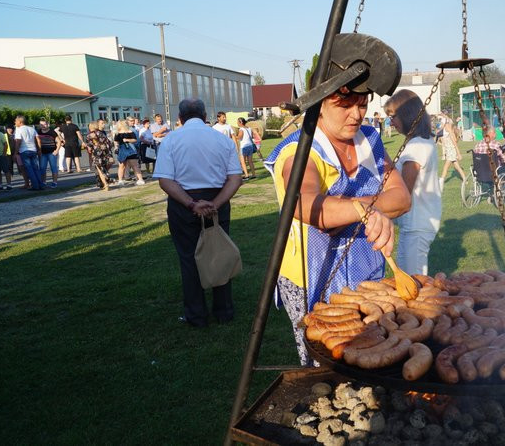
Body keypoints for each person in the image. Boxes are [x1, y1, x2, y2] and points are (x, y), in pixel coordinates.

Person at [264, 87, 410, 365]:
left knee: (373, 346)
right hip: (312, 276)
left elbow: (402, 198)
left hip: (367, 272)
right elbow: (307, 205)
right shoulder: (300, 150)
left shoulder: (369, 141)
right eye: (345, 106)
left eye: (362, 105)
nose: (356, 115)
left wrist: (347, 209)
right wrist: (366, 209)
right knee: (326, 359)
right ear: (320, 105)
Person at [153, 98, 243, 327]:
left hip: (183, 203)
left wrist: (191, 204)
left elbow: (165, 180)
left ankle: (196, 314)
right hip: (216, 200)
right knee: (219, 253)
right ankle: (224, 310)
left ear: (180, 118)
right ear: (205, 117)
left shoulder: (171, 140)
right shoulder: (222, 139)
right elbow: (235, 178)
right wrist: (216, 204)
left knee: (188, 258)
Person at [384, 89, 441, 275]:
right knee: (409, 276)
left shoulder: (416, 146)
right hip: (419, 222)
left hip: (416, 224)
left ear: (407, 115)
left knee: (414, 280)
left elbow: (403, 192)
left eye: (393, 116)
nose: (391, 122)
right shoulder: (423, 141)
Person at [14, 115, 44, 191]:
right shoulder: (32, 128)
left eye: (16, 121)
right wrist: (39, 149)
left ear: (20, 122)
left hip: (24, 151)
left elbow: (18, 141)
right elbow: (38, 139)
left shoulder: (19, 130)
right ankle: (40, 185)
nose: (15, 122)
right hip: (33, 150)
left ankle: (35, 186)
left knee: (29, 169)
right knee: (36, 168)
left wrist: (15, 152)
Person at [438, 112, 466, 189]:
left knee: (445, 167)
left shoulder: (450, 131)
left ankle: (441, 180)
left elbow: (455, 144)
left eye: (446, 124)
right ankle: (465, 179)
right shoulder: (446, 130)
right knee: (457, 167)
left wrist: (458, 153)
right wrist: (442, 115)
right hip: (449, 151)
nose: (445, 125)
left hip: (451, 151)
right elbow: (447, 119)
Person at [113, 120, 145, 186]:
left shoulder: (130, 132)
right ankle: (120, 180)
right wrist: (116, 147)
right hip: (122, 150)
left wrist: (127, 140)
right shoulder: (117, 133)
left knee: (134, 165)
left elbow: (135, 140)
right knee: (121, 166)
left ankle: (140, 179)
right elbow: (116, 142)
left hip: (130, 149)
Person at [84, 121, 114, 190]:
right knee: (104, 168)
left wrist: (86, 146)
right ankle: (106, 178)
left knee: (100, 170)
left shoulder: (89, 135)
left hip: (97, 154)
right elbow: (109, 143)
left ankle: (106, 184)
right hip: (106, 153)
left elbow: (89, 147)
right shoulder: (102, 133)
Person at [36, 119, 61, 188]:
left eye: (44, 124)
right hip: (42, 153)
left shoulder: (52, 132)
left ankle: (54, 182)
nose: (43, 126)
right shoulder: (38, 132)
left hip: (51, 153)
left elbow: (59, 142)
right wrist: (38, 151)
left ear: (48, 124)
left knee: (53, 168)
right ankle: (44, 182)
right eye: (41, 124)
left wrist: (56, 151)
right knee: (42, 168)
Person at [0, 125, 12, 190]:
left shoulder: (0, 134)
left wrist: (4, 154)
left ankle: (9, 184)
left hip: (1, 155)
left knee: (6, 170)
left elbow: (5, 144)